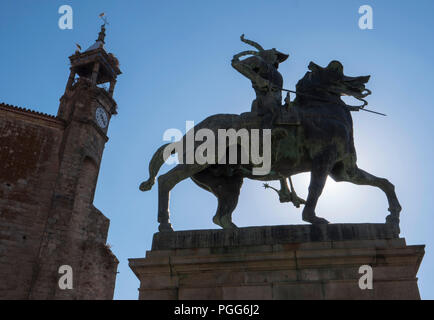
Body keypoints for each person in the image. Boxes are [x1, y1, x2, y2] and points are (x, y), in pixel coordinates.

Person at [231, 35, 289, 129]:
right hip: (265, 103)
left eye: (279, 58)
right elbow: (237, 64)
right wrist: (259, 80)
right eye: (276, 56)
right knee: (272, 113)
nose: (278, 60)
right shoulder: (261, 63)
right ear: (269, 55)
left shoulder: (278, 74)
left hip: (277, 104)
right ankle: (266, 136)